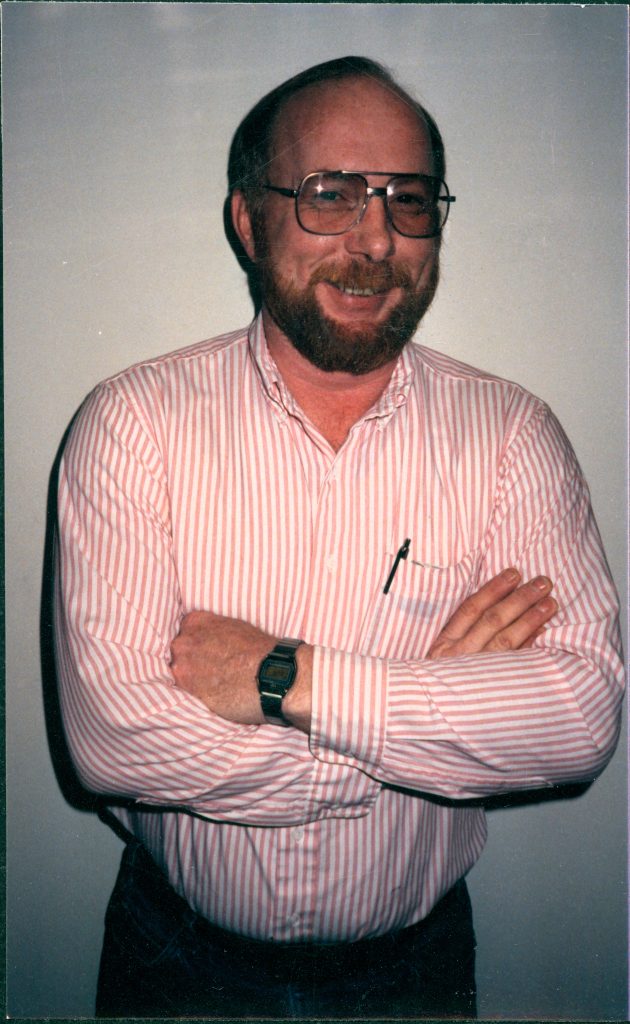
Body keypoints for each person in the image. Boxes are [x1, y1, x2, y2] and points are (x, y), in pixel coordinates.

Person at [53, 56, 624, 1019]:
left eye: (409, 198)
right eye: (330, 194)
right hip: (177, 965)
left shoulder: (512, 436)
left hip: (414, 975)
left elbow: (580, 713)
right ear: (249, 220)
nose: (376, 238)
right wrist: (415, 721)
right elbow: (113, 741)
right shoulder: (133, 422)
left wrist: (286, 679)